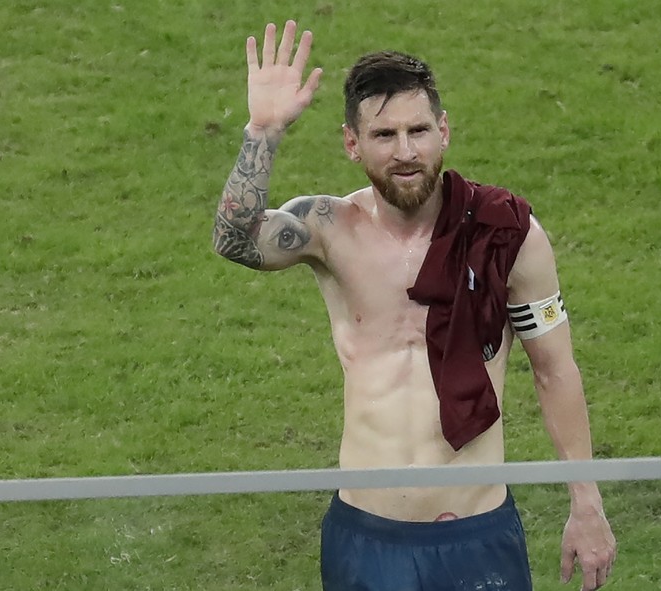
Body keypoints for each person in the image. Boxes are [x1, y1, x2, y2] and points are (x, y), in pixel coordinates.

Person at [213, 20, 617, 591]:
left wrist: (587, 503)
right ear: (352, 143)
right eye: (384, 136)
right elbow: (232, 240)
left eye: (419, 131)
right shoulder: (328, 229)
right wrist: (263, 130)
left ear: (444, 132)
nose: (406, 152)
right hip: (365, 536)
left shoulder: (508, 233)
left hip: (477, 534)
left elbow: (555, 371)